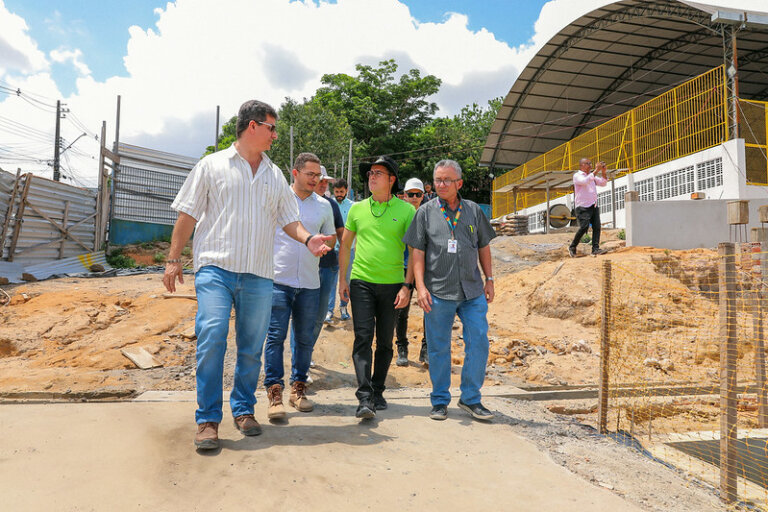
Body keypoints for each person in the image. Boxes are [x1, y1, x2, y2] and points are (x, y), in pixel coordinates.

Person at [163, 100, 332, 451]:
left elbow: (289, 220)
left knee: (252, 348)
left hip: (258, 274)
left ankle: (243, 410)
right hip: (215, 269)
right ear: (252, 126)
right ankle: (208, 419)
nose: (275, 134)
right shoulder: (211, 166)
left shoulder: (274, 176)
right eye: (272, 127)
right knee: (211, 334)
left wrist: (308, 239)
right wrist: (173, 259)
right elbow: (188, 214)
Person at [404, 159, 496, 422]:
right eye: (438, 180)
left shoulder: (474, 210)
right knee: (438, 347)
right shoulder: (425, 212)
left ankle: (470, 399)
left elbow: (484, 246)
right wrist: (419, 288)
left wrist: (489, 278)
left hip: (472, 291)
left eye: (447, 180)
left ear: (459, 183)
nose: (441, 184)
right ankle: (440, 400)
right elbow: (417, 252)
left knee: (478, 340)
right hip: (437, 291)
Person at [338, 156, 415, 419]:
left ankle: (378, 389)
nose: (372, 176)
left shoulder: (407, 211)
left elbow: (415, 252)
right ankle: (364, 397)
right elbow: (346, 245)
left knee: (384, 342)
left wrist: (407, 286)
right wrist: (342, 280)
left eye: (378, 173)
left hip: (393, 285)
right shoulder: (357, 209)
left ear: (392, 180)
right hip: (361, 282)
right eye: (370, 172)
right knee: (362, 338)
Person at [263, 153, 336, 419]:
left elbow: (332, 237)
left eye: (318, 175)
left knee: (304, 340)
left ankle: (298, 389)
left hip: (309, 282)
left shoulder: (324, 206)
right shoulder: (279, 200)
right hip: (278, 281)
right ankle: (274, 394)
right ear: (295, 173)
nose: (316, 179)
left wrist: (327, 243)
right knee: (275, 338)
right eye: (310, 175)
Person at [309, 166, 345, 374]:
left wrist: (346, 263)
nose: (323, 184)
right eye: (319, 179)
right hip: (304, 268)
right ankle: (300, 360)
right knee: (303, 314)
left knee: (319, 315)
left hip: (328, 266)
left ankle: (307, 353)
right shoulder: (297, 203)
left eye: (325, 181)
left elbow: (341, 235)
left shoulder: (331, 205)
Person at [394, 177, 429, 367]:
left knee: (428, 309)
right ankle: (402, 348)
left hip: (425, 268)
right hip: (404, 267)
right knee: (401, 310)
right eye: (410, 194)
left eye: (418, 194)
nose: (414, 198)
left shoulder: (430, 214)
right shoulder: (399, 215)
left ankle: (426, 349)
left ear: (423, 196)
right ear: (404, 196)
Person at [327, 178, 355, 322]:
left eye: (341, 192)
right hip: (332, 248)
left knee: (346, 279)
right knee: (330, 280)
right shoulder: (328, 204)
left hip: (349, 249)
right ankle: (329, 310)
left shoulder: (353, 206)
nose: (339, 194)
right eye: (337, 192)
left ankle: (343, 307)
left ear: (346, 191)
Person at [568, 158, 608, 257]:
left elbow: (603, 183)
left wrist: (603, 172)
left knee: (597, 227)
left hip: (593, 205)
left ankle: (595, 248)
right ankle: (572, 246)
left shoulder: (592, 176)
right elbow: (585, 181)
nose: (590, 165)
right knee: (584, 227)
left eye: (591, 163)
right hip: (582, 207)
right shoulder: (577, 176)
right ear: (582, 165)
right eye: (588, 164)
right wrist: (596, 171)